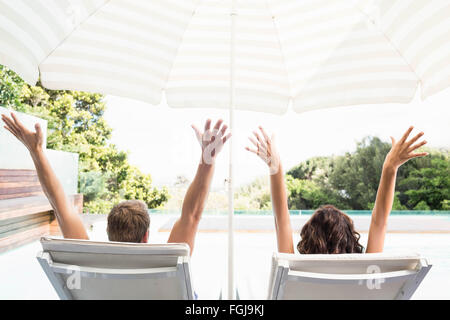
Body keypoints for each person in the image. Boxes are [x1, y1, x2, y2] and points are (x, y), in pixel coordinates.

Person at [1, 113, 230, 256]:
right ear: (146, 236)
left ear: (108, 233)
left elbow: (59, 204)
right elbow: (192, 215)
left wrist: (36, 151)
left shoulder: (88, 261)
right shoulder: (171, 262)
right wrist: (207, 159)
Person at [246, 125, 428, 254]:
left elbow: (281, 220)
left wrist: (275, 167)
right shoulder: (366, 270)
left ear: (308, 241)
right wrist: (390, 167)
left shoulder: (294, 268)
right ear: (350, 239)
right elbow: (379, 221)